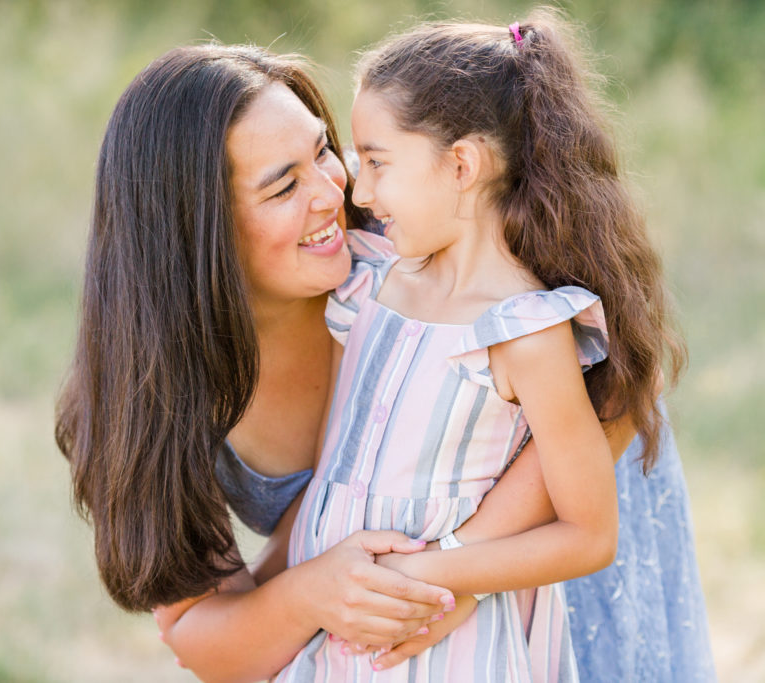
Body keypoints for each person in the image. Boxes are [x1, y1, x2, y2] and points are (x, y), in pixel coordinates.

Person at [56, 37, 713, 683]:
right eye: (284, 186)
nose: (334, 190)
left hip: (550, 554)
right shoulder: (149, 387)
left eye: (322, 150)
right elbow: (205, 636)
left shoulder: (408, 228)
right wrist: (314, 592)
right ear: (193, 235)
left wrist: (450, 577)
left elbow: (624, 368)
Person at [271, 10, 697, 681]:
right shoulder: (373, 280)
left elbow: (590, 533)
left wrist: (430, 574)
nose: (359, 188)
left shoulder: (526, 331)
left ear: (462, 164)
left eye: (377, 162)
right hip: (337, 633)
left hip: (446, 647)